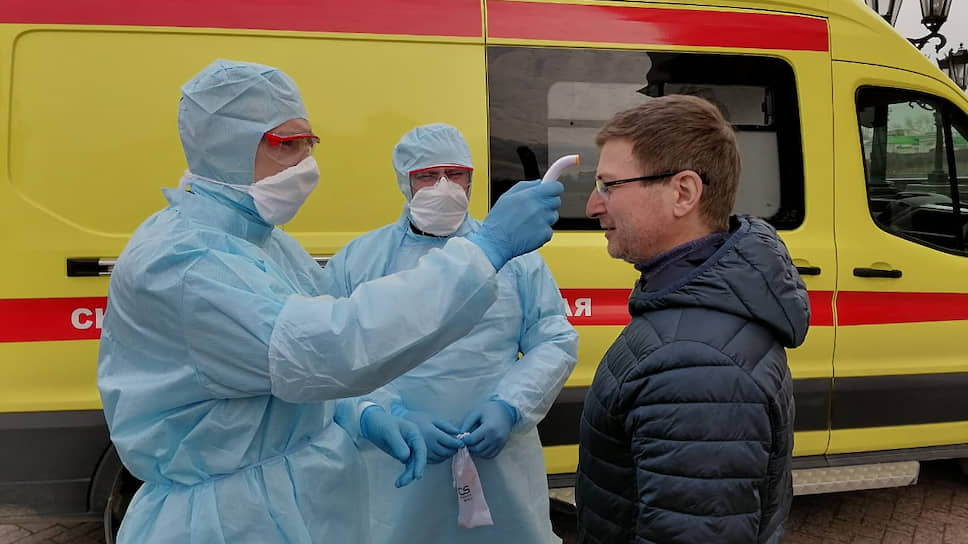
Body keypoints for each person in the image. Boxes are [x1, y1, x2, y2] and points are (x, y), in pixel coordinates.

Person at [96, 59, 564, 544]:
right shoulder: (186, 262)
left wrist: (363, 415)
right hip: (226, 519)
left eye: (309, 144)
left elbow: (314, 375)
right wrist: (486, 252)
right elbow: (330, 347)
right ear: (225, 145)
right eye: (287, 144)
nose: (306, 163)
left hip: (292, 502)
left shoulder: (266, 245)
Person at [323, 123, 578, 543]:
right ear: (405, 181)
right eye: (427, 175)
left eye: (455, 174)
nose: (443, 186)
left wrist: (510, 405)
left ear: (471, 179)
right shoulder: (360, 261)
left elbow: (554, 339)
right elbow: (329, 361)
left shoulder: (514, 258)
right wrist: (385, 415)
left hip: (499, 457)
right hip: (396, 461)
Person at [575, 95, 810, 544]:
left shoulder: (695, 365)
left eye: (609, 186)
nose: (592, 205)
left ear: (683, 193)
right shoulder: (688, 317)